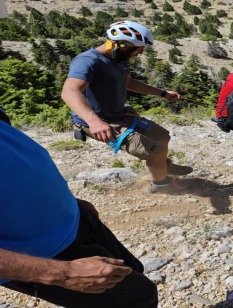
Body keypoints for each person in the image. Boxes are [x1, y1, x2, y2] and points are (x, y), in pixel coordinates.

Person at [0, 107, 158, 308]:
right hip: (36, 252)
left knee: (134, 271)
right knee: (138, 297)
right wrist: (63, 273)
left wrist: (65, 199)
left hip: (73, 215)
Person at [61, 20, 193, 194]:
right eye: (138, 48)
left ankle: (162, 168)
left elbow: (128, 82)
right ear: (122, 44)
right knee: (156, 151)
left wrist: (162, 93)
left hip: (118, 115)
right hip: (98, 122)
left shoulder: (117, 58)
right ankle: (160, 185)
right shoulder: (88, 61)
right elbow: (69, 91)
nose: (141, 52)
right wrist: (94, 122)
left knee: (162, 137)